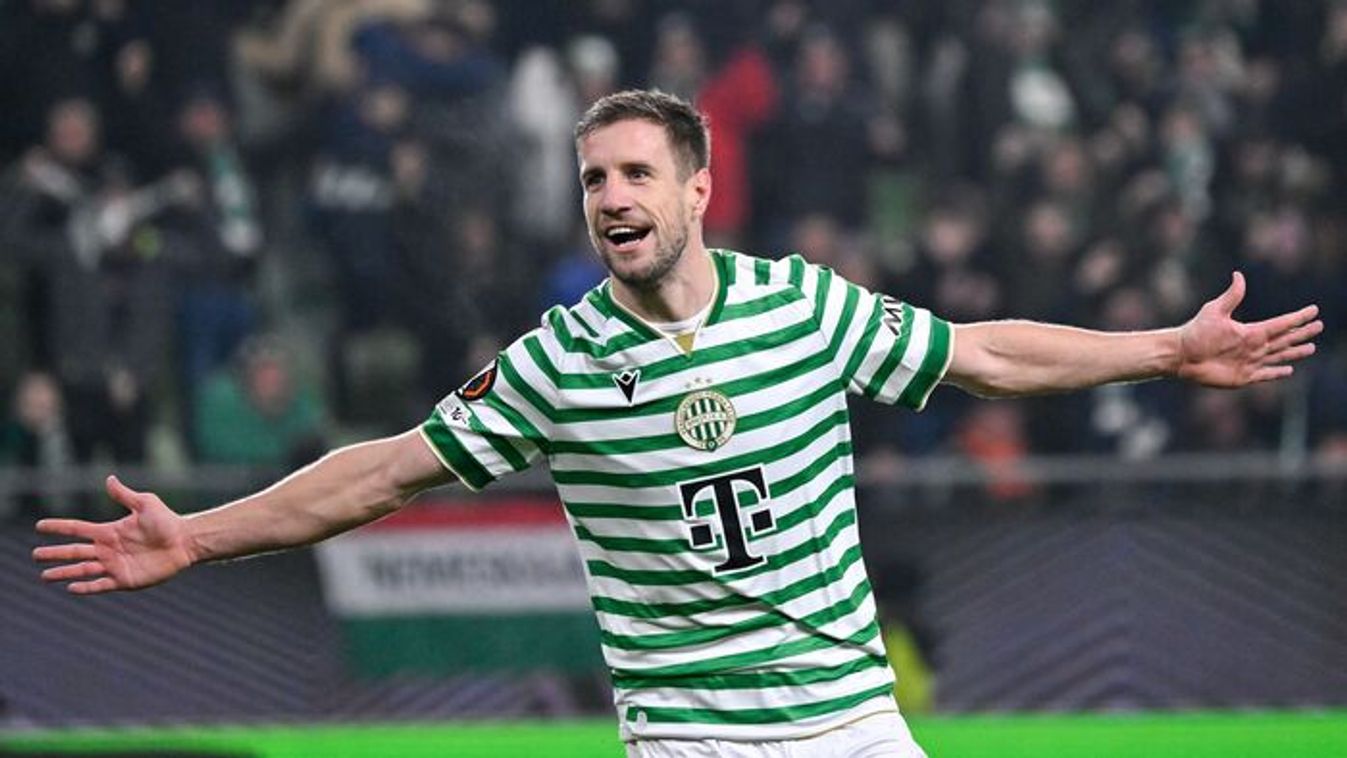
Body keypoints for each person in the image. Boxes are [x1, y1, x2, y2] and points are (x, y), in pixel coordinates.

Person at [33, 90, 1322, 757]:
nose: (610, 195)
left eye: (637, 172)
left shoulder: (800, 305)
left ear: (697, 190)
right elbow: (384, 474)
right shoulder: (559, 364)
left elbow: (981, 353)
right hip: (693, 737)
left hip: (851, 723)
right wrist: (198, 536)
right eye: (593, 178)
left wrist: (1169, 348)